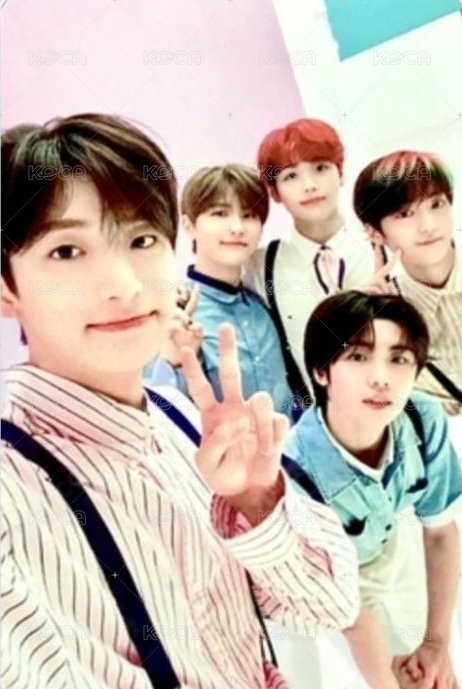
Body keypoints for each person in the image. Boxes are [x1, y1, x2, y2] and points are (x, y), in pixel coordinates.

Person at [1, 113, 361, 689]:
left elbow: (327, 607)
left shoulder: (183, 423)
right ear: (6, 288)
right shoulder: (13, 487)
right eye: (67, 251)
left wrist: (256, 503)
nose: (124, 285)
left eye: (142, 239)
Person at [283, 290, 462, 688]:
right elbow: (350, 609)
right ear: (321, 372)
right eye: (358, 356)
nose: (381, 378)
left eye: (398, 359)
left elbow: (440, 533)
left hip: (391, 543)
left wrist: (437, 643)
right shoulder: (296, 474)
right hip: (324, 592)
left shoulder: (421, 417)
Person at [145, 163, 297, 420]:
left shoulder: (263, 305)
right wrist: (175, 359)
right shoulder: (172, 313)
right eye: (220, 213)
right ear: (189, 225)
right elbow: (156, 409)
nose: (237, 227)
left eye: (249, 215)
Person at [244, 118, 375, 400]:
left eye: (321, 168)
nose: (310, 185)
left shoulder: (381, 245)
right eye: (291, 176)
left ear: (341, 173)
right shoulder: (260, 266)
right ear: (275, 192)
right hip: (319, 418)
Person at [353, 149, 462, 415]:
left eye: (437, 205)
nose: (428, 226)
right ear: (374, 233)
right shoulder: (386, 314)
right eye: (404, 214)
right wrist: (360, 327)